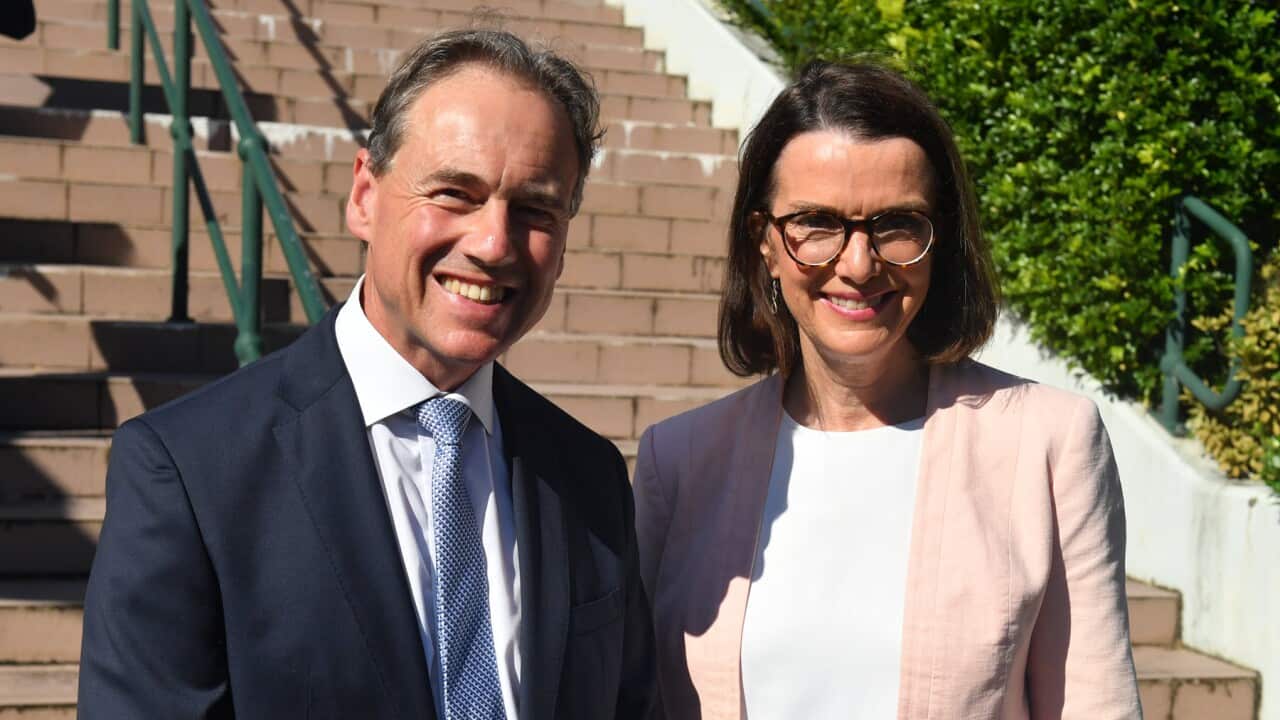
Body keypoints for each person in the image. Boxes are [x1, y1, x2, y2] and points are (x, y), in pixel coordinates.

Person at [79, 29, 656, 719]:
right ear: (364, 197)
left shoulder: (588, 477)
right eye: (454, 193)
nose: (494, 243)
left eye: (535, 209)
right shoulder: (192, 475)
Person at [633, 60, 1141, 719]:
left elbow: (1095, 705)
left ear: (939, 239)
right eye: (817, 222)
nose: (858, 264)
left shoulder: (1048, 443)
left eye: (897, 225)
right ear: (764, 242)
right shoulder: (679, 462)